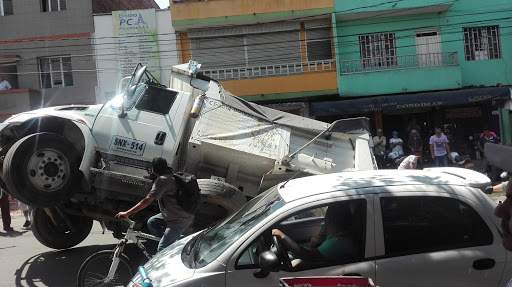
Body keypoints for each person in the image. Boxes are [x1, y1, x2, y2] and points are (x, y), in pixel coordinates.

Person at [115, 157, 194, 252]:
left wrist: (127, 212)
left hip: (179, 220)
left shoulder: (162, 180)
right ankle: (168, 244)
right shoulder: (170, 175)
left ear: (154, 169)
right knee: (152, 222)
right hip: (176, 214)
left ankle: (165, 251)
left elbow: (147, 201)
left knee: (162, 248)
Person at [271, 203, 356, 267]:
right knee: (290, 256)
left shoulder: (339, 243)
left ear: (330, 220)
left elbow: (307, 256)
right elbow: (314, 244)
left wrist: (282, 236)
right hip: (320, 261)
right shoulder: (336, 234)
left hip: (321, 267)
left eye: (326, 218)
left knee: (291, 262)